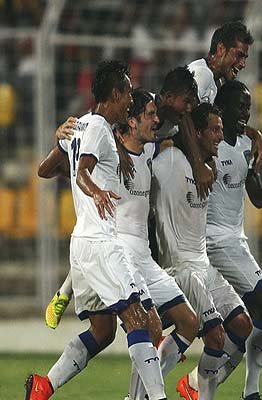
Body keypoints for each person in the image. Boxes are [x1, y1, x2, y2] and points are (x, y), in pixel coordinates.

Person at [29, 60, 167, 400]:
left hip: (84, 245)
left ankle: (43, 387)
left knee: (104, 331)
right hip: (101, 242)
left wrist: (66, 146)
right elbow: (82, 173)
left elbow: (45, 169)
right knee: (141, 320)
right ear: (115, 94)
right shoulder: (99, 128)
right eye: (128, 94)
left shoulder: (81, 125)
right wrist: (95, 190)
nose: (131, 101)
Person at [44, 65, 200, 330]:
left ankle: (67, 290)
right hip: (112, 231)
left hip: (128, 231)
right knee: (140, 322)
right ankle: (66, 291)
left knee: (107, 332)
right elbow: (100, 134)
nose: (188, 108)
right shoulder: (131, 111)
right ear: (168, 98)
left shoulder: (159, 132)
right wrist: (114, 154)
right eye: (186, 102)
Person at [179, 80, 262, 400]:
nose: (246, 113)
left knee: (249, 319)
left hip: (236, 240)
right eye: (240, 107)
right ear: (223, 110)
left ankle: (200, 383)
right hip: (213, 241)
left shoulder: (247, 145)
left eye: (248, 107)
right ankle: (247, 391)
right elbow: (185, 129)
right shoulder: (210, 145)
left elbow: (256, 197)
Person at [152, 103, 252, 400]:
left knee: (242, 325)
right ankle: (147, 389)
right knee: (215, 335)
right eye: (215, 130)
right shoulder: (170, 161)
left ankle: (189, 385)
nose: (221, 136)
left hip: (203, 264)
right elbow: (139, 167)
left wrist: (254, 135)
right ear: (196, 133)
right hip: (180, 267)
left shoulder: (210, 168)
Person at [111, 88, 201, 400]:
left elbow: (175, 121)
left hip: (145, 255)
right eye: (149, 115)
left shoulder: (150, 148)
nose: (156, 120)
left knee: (189, 323)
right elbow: (88, 134)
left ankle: (139, 396)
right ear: (131, 121)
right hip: (122, 252)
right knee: (150, 328)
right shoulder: (110, 150)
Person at [186, 21, 262, 179]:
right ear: (221, 49)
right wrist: (198, 162)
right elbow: (184, 117)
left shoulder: (214, 82)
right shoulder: (202, 74)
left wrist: (254, 133)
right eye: (239, 55)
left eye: (245, 58)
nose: (243, 64)